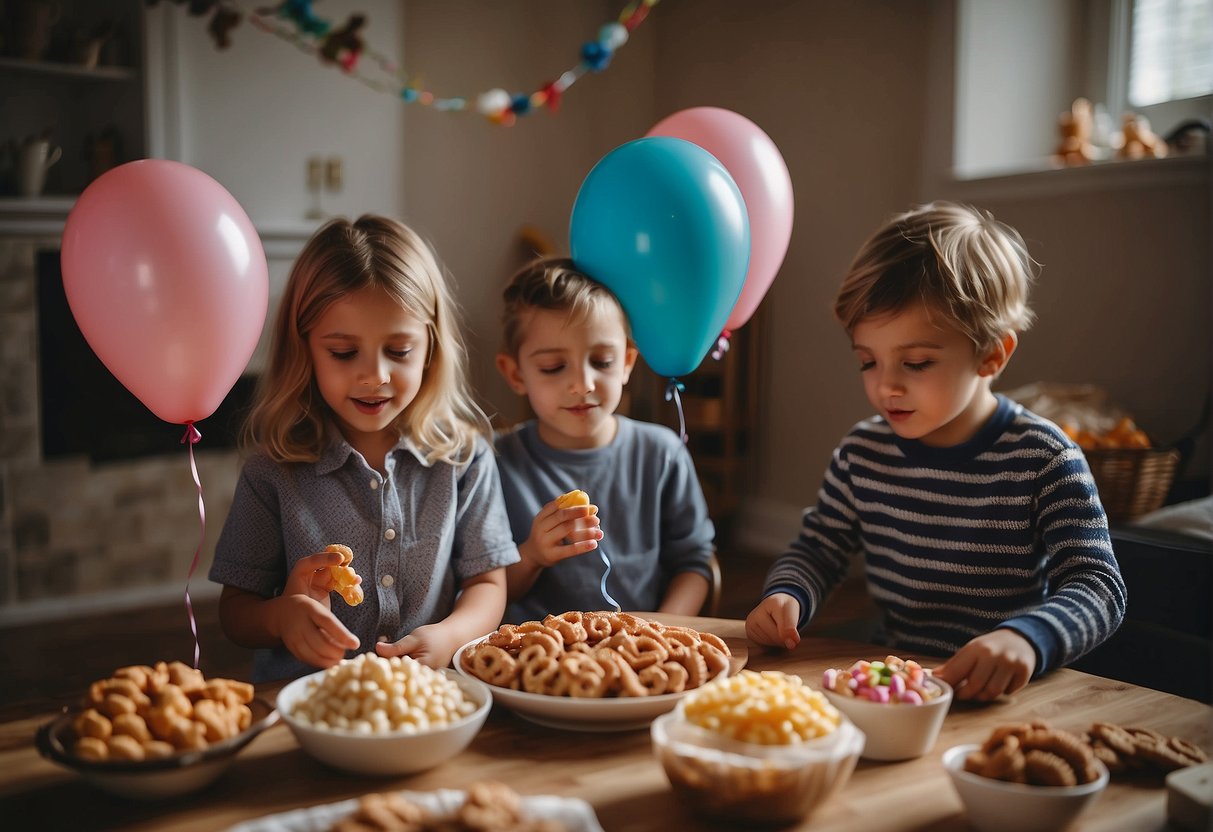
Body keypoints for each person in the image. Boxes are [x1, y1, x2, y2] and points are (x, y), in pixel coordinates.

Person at [745, 202, 1126, 702]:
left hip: (1010, 690)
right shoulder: (863, 453)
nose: (887, 387)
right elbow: (820, 548)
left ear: (993, 354)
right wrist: (786, 594)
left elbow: (1098, 587)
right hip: (904, 682)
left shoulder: (1046, 459)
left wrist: (1029, 639)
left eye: (917, 362)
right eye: (867, 362)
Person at [209, 215, 518, 682]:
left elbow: (488, 582)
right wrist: (282, 617)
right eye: (343, 353)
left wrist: (451, 636)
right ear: (304, 348)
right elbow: (236, 612)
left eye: (398, 351)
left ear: (431, 347)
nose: (374, 375)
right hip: (307, 701)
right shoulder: (273, 471)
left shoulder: (465, 457)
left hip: (427, 699)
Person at [493, 257, 716, 623]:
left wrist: (661, 629)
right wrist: (532, 555)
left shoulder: (662, 454)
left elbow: (694, 563)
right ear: (515, 373)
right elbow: (480, 589)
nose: (583, 384)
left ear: (627, 362)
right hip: (533, 659)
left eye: (602, 361)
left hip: (640, 655)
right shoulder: (495, 462)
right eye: (553, 367)